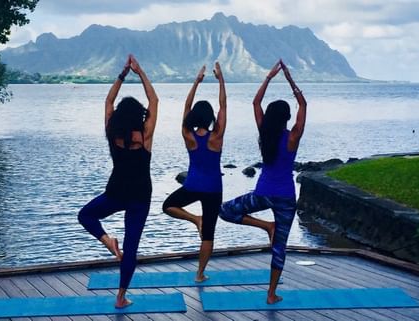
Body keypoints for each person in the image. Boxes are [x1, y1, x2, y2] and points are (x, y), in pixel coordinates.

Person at [219, 59, 307, 304]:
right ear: (287, 118)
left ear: (269, 117)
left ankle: (264, 226)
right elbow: (303, 104)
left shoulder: (265, 134)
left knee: (224, 211)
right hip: (286, 198)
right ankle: (271, 294)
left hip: (263, 194)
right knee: (279, 247)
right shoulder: (292, 138)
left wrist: (269, 77)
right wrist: (289, 79)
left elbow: (256, 103)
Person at [78, 54, 158, 308]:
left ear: (120, 117)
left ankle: (106, 239)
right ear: (138, 115)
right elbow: (154, 100)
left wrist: (123, 74)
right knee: (131, 246)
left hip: (116, 191)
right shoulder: (144, 135)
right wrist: (140, 72)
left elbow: (109, 100)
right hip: (141, 195)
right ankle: (121, 297)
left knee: (86, 215)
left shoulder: (113, 132)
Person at [162, 63, 227, 282]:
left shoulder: (188, 135)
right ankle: (199, 274)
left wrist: (197, 82)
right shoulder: (216, 137)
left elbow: (187, 106)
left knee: (167, 206)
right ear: (209, 118)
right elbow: (223, 106)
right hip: (214, 189)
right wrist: (221, 80)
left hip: (192, 185)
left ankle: (193, 219)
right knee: (208, 234)